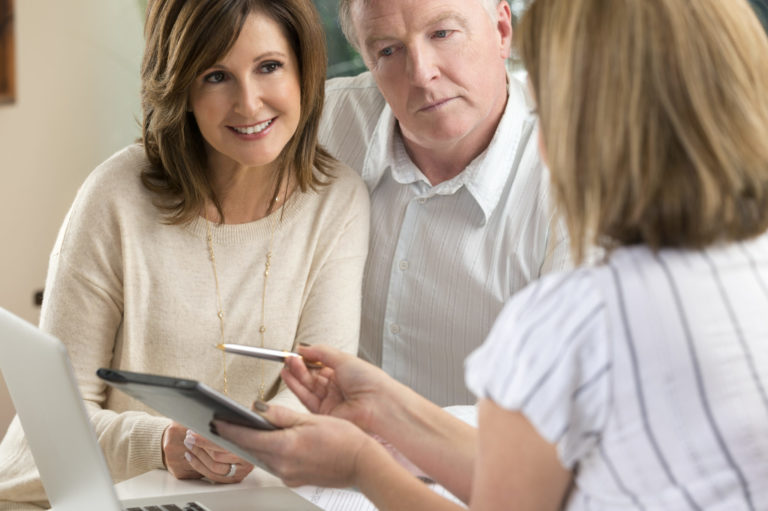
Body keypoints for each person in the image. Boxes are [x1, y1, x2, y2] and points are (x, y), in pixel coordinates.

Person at [213, 0, 768, 509]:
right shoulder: (748, 266)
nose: (422, 74)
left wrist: (361, 464)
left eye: (547, 98)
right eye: (388, 50)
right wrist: (385, 410)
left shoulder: (575, 316)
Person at [0, 0, 369, 508]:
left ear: (304, 70)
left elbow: (317, 392)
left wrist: (258, 438)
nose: (249, 104)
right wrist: (162, 444)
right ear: (183, 90)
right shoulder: (115, 196)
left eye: (269, 67)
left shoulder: (338, 200)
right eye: (216, 76)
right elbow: (46, 428)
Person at [319, 0, 572, 406]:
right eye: (388, 50)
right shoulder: (318, 127)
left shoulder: (579, 178)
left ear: (502, 31)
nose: (421, 74)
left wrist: (392, 431)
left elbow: (561, 405)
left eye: (442, 34)